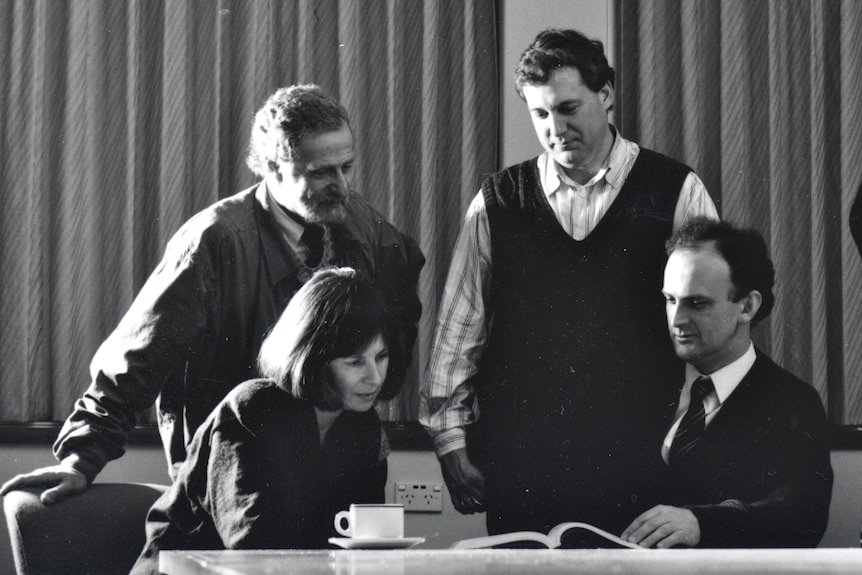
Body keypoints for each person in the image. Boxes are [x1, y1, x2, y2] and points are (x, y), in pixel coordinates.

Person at [1, 84, 424, 505]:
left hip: (334, 467)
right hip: (231, 473)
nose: (342, 187)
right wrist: (81, 456)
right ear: (273, 168)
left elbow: (399, 309)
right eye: (321, 173)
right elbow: (135, 360)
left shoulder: (366, 227)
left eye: (347, 167)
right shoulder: (211, 243)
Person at [419, 28, 718, 541]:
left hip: (641, 467)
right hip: (523, 473)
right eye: (540, 115)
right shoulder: (498, 202)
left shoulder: (676, 191)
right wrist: (450, 442)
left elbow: (715, 329)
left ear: (606, 95)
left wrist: (695, 441)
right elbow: (458, 330)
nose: (555, 128)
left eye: (568, 108)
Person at [130, 267, 403, 574]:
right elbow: (253, 550)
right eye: (355, 362)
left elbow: (369, 550)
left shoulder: (363, 427)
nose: (375, 377)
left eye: (381, 357)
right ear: (312, 357)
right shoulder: (252, 410)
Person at [621, 218, 833, 548]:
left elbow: (802, 515)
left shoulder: (792, 402)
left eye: (697, 303)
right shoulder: (639, 389)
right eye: (670, 299)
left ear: (747, 306)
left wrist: (701, 523)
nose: (676, 320)